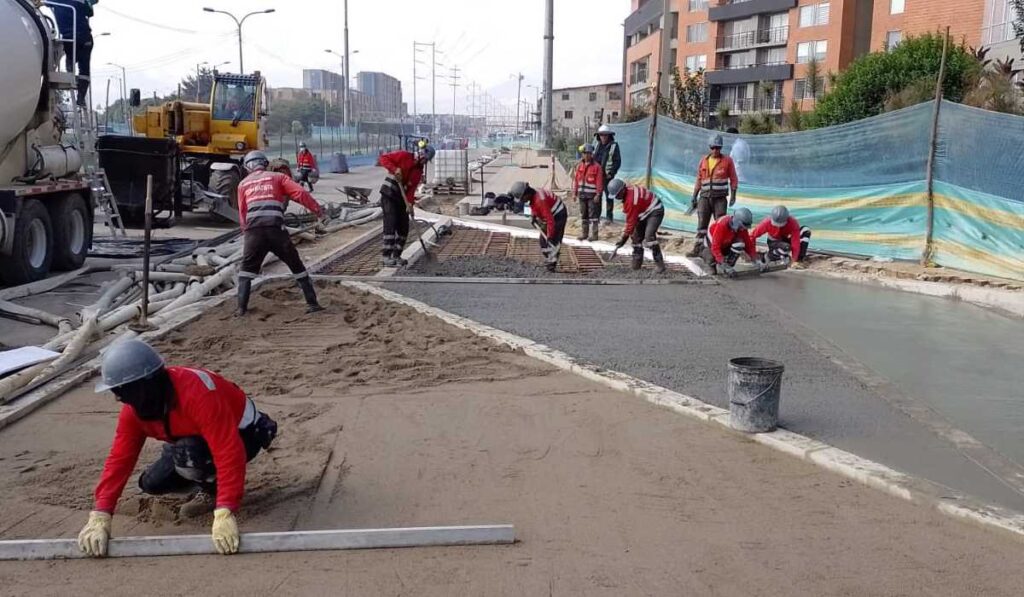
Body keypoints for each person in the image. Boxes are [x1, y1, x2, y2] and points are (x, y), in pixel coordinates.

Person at [77, 340, 278, 557]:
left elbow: (228, 450)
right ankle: (203, 476)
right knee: (151, 483)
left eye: (121, 390)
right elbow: (120, 458)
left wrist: (225, 509)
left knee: (191, 454)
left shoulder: (198, 395)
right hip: (190, 441)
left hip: (245, 435)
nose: (117, 397)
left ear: (145, 384)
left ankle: (212, 492)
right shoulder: (135, 409)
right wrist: (101, 514)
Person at [235, 150, 326, 316]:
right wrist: (318, 211)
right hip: (276, 229)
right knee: (296, 265)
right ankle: (312, 304)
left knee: (246, 271)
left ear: (247, 167)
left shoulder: (243, 184)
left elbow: (242, 212)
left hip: (253, 232)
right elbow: (301, 193)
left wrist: (246, 233)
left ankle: (241, 309)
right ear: (265, 162)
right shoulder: (278, 178)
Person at [376, 143, 435, 266]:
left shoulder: (418, 172)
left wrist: (410, 204)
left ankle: (396, 255)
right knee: (391, 224)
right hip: (389, 194)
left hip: (401, 199)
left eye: (426, 161)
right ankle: (386, 256)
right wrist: (394, 169)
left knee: (404, 227)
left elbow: (411, 190)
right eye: (424, 159)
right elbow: (383, 158)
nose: (424, 163)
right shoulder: (403, 155)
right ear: (421, 154)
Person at [688, 134, 739, 257]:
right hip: (704, 198)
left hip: (720, 199)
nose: (715, 150)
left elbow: (733, 179)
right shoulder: (704, 161)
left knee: (720, 225)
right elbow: (699, 179)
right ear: (710, 147)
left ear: (721, 148)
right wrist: (694, 196)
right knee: (702, 225)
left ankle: (719, 250)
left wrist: (733, 196)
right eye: (713, 147)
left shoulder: (727, 161)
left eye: (718, 148)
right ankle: (698, 249)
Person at [608, 178, 666, 273]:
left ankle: (660, 265)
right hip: (643, 212)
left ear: (622, 190)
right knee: (635, 237)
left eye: (617, 195)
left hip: (655, 211)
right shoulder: (627, 194)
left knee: (649, 236)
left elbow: (631, 223)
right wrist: (627, 235)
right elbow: (632, 220)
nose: (616, 198)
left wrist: (623, 239)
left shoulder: (631, 201)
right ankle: (636, 264)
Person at [510, 181, 567, 272]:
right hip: (551, 214)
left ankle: (552, 263)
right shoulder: (534, 195)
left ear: (526, 194)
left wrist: (550, 236)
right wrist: (533, 215)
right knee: (543, 241)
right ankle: (551, 258)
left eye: (522, 198)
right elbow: (534, 205)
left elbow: (550, 220)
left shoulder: (540, 201)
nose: (522, 201)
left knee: (552, 241)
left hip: (558, 215)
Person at [53, 0, 97, 107]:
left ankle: (70, 71)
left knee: (71, 57)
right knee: (84, 69)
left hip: (70, 37)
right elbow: (90, 12)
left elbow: (40, 2)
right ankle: (81, 97)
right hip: (86, 38)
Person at [701, 207, 767, 278]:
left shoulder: (741, 229)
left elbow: (748, 245)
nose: (744, 229)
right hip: (710, 247)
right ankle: (712, 265)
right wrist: (723, 263)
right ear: (737, 222)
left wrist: (757, 260)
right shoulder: (722, 225)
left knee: (740, 243)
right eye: (743, 226)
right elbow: (715, 247)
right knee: (712, 266)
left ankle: (728, 266)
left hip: (725, 245)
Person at [572, 144, 605, 242]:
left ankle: (594, 235)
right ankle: (584, 234)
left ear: (591, 154)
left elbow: (599, 182)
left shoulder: (597, 167)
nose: (586, 155)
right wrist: (574, 193)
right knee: (584, 215)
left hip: (592, 196)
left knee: (593, 215)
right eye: (584, 153)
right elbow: (576, 180)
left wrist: (598, 194)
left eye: (588, 153)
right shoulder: (579, 166)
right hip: (582, 195)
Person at [593, 125, 622, 224]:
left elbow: (617, 162)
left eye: (605, 135)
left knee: (609, 196)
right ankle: (596, 217)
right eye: (601, 135)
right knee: (598, 195)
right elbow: (595, 159)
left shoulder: (614, 146)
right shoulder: (597, 145)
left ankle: (609, 218)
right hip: (597, 177)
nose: (603, 137)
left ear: (609, 136)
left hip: (607, 176)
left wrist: (611, 173)